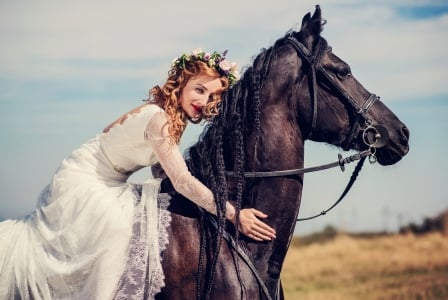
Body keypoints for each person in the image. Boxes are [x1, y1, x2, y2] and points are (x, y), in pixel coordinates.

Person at [0, 48, 276, 300]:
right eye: (199, 90)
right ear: (181, 83)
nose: (204, 102)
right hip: (87, 178)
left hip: (109, 176)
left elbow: (149, 161)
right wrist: (232, 214)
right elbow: (180, 181)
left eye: (212, 96)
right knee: (119, 230)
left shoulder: (165, 116)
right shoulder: (159, 119)